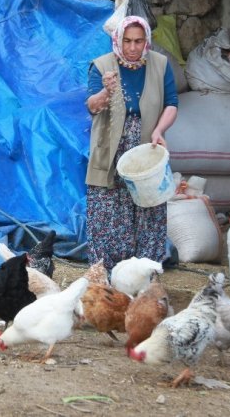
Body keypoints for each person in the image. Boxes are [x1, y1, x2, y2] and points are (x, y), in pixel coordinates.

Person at [85, 15, 178, 272]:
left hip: (145, 145)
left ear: (146, 40)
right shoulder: (102, 66)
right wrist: (105, 91)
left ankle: (143, 274)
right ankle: (107, 275)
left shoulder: (160, 64)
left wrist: (159, 130)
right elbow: (92, 107)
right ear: (118, 40)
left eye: (138, 41)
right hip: (110, 149)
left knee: (149, 206)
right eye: (127, 41)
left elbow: (171, 102)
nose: (133, 47)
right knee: (107, 210)